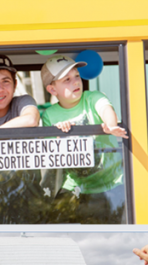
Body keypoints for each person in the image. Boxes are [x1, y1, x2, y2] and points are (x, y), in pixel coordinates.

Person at [39, 55, 128, 223]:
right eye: (67, 79)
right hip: (76, 186)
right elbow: (51, 153)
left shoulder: (92, 97)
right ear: (52, 90)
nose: (75, 82)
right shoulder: (50, 115)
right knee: (57, 217)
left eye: (77, 76)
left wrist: (110, 125)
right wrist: (60, 136)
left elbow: (105, 109)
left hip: (111, 182)